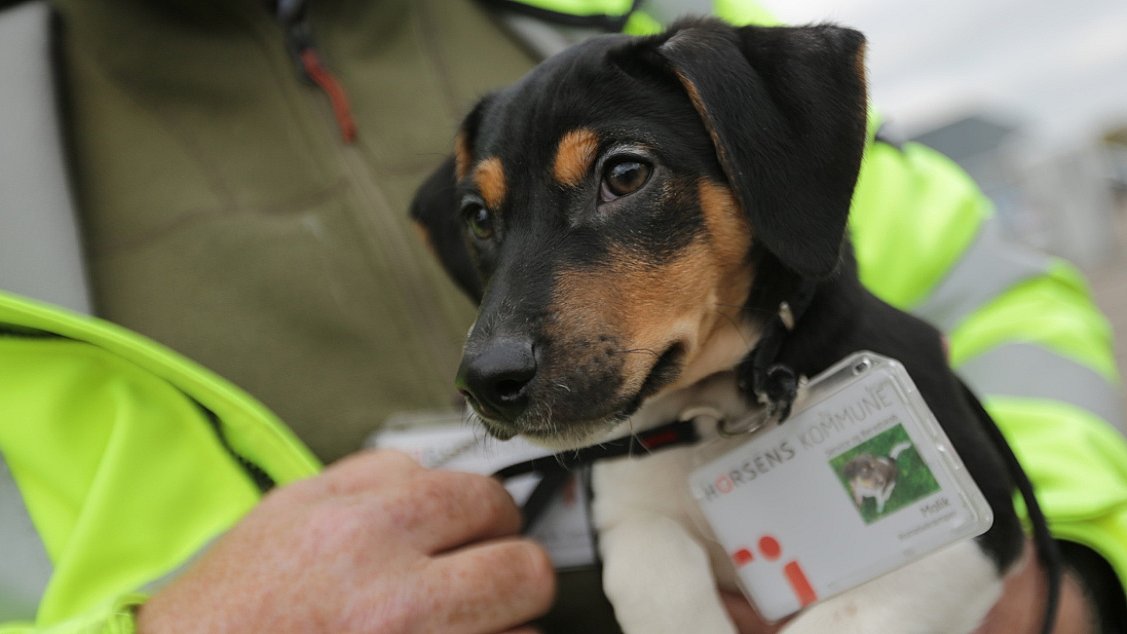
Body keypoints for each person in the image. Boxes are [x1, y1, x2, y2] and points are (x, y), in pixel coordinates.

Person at [0, 0, 1123, 632]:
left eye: (621, 178)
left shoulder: (643, 28)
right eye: (489, 227)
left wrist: (1068, 580)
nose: (502, 329)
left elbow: (989, 287)